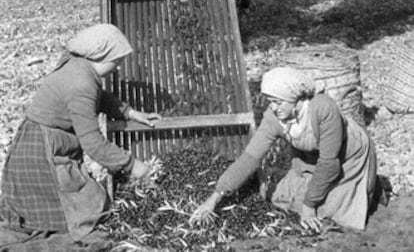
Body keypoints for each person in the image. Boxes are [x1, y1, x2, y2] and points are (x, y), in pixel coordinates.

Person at [1, 23, 160, 241]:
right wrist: (133, 165)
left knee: (86, 199)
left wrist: (129, 112)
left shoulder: (78, 65)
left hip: (43, 140)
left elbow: (99, 98)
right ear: (102, 55)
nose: (118, 66)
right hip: (41, 153)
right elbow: (94, 144)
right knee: (85, 212)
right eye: (116, 60)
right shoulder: (81, 83)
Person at [190, 66, 377, 232]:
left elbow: (329, 164)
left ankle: (372, 190)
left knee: (333, 210)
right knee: (282, 197)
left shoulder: (323, 109)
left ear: (295, 99)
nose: (273, 107)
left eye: (278, 102)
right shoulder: (273, 117)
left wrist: (309, 206)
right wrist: (214, 198)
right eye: (270, 101)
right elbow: (250, 158)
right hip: (311, 157)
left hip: (347, 156)